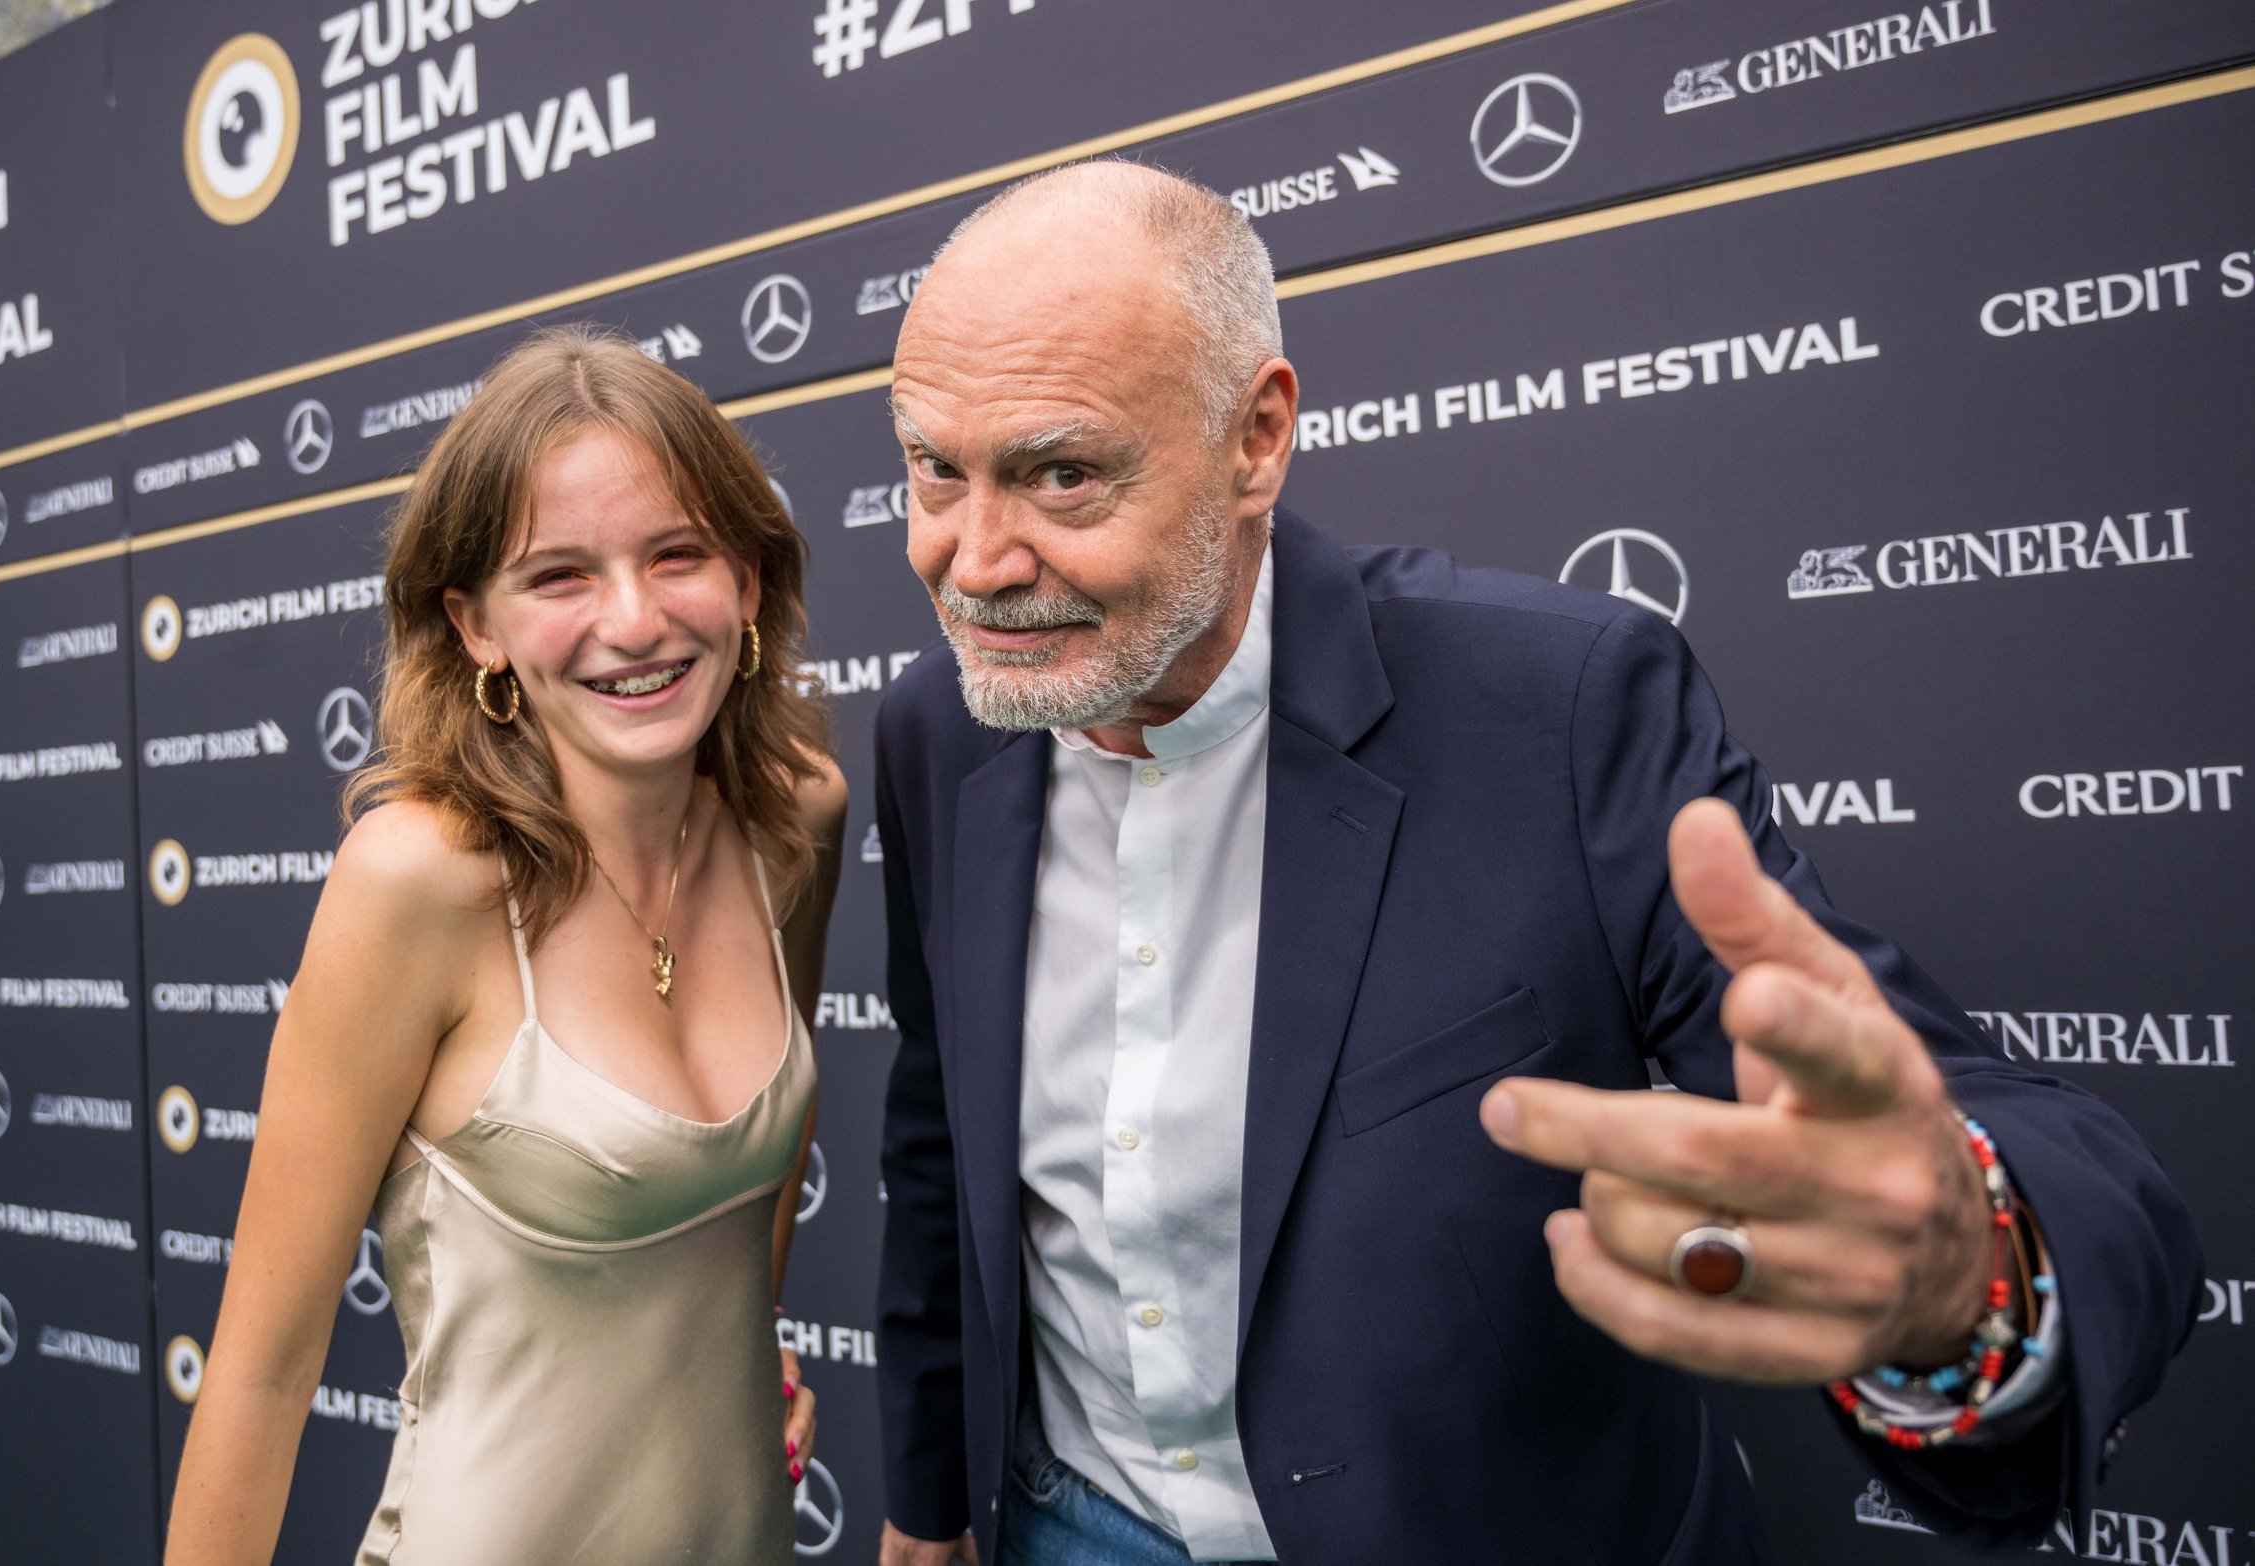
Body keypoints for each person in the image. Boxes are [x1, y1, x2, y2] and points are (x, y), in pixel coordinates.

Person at [868, 163, 2200, 1565]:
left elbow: (1966, 1117)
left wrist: (1963, 1271)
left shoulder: (1563, 709)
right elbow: (942, 1133)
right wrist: (928, 1500)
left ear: (1256, 438)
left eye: (1062, 473)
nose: (973, 561)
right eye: (933, 471)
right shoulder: (939, 727)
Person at [160, 327, 845, 1565]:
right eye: (560, 576)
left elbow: (753, 1196)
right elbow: (261, 1373)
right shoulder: (420, 882)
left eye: (677, 554)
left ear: (748, 581)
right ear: (475, 626)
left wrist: (746, 1348)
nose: (633, 622)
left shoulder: (795, 821)